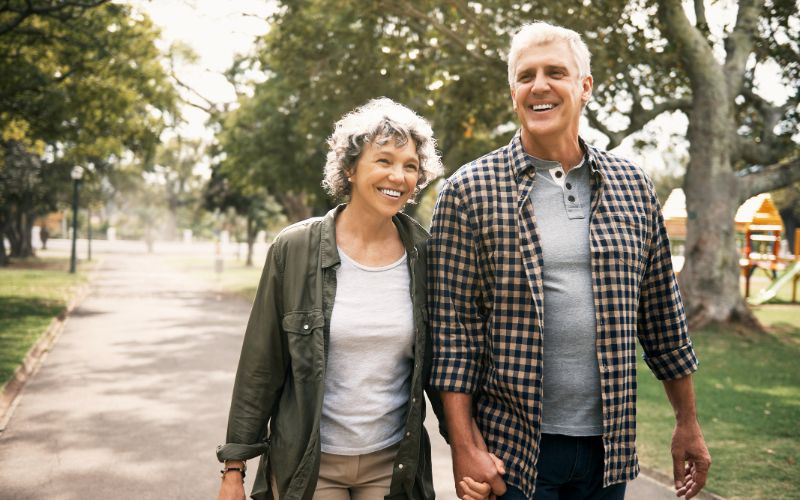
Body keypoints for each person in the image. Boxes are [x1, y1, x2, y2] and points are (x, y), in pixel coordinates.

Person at [427, 22, 711, 500]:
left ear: (584, 87)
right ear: (512, 91)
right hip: (512, 452)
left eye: (555, 72)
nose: (539, 86)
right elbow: (454, 337)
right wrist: (463, 445)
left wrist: (688, 423)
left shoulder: (633, 186)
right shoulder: (467, 192)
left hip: (610, 452)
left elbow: (663, 316)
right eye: (525, 76)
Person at [216, 98, 447, 500]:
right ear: (349, 169)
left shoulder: (425, 253)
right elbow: (261, 363)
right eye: (384, 161)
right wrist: (234, 468)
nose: (399, 175)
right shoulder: (294, 248)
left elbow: (445, 365)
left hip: (391, 462)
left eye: (410, 166)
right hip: (309, 462)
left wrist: (471, 447)